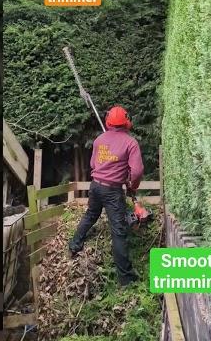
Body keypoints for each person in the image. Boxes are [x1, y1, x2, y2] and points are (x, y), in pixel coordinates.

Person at [68, 105, 144, 287]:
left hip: (95, 186)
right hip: (112, 191)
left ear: (108, 121)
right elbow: (138, 171)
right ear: (127, 121)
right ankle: (125, 278)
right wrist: (132, 185)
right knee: (118, 231)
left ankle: (74, 245)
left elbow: (93, 163)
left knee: (91, 215)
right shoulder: (130, 143)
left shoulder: (99, 140)